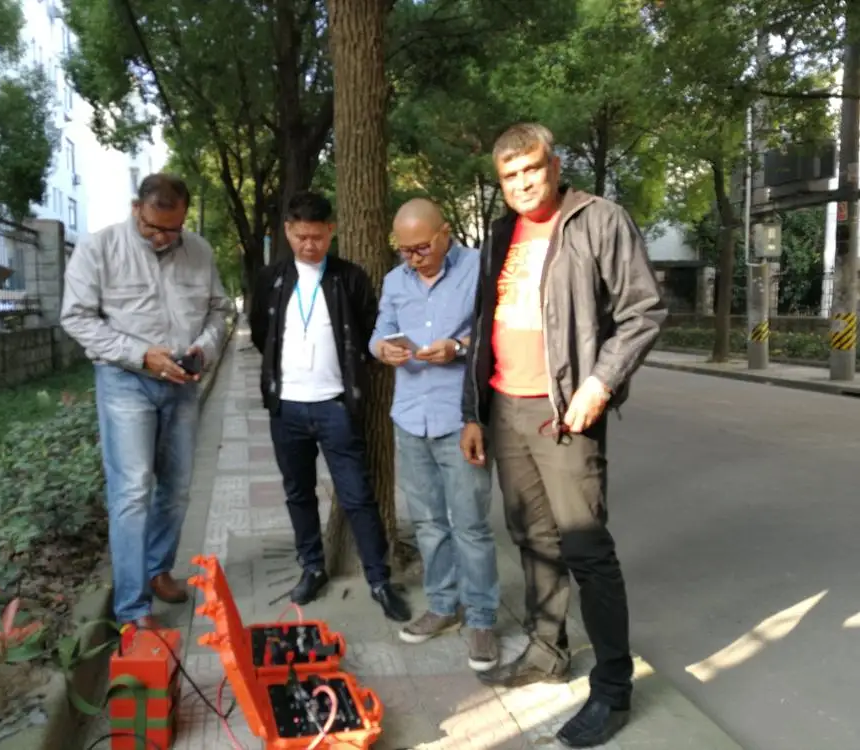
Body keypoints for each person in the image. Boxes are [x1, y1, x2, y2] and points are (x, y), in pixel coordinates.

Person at [460, 123, 666, 748]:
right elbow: (484, 324)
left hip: (564, 412)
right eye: (510, 175)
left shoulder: (597, 219)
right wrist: (474, 412)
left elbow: (643, 310)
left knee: (586, 549)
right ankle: (548, 651)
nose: (523, 184)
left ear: (553, 165)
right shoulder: (500, 233)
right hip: (505, 408)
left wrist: (600, 383)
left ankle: (613, 688)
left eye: (532, 169)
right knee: (531, 537)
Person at [60, 174, 233, 631]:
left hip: (183, 382)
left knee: (177, 488)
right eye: (154, 227)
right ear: (137, 208)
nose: (163, 238)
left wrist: (204, 349)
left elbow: (220, 309)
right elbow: (76, 318)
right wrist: (141, 355)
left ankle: (158, 569)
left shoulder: (199, 250)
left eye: (173, 229)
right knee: (133, 490)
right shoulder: (99, 249)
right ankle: (133, 609)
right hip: (125, 381)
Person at [249, 191, 411, 623]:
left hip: (336, 406)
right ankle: (313, 567)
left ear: (331, 231)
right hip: (287, 407)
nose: (309, 245)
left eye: (318, 237)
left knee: (357, 494)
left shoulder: (349, 278)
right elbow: (261, 333)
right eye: (301, 237)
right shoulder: (270, 279)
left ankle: (379, 579)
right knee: (298, 492)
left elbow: (369, 330)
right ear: (287, 231)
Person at [370, 198, 501, 671]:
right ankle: (443, 605)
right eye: (404, 250)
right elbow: (380, 330)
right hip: (410, 416)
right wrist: (382, 349)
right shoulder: (395, 280)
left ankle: (482, 617)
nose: (413, 259)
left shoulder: (479, 268)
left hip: (459, 418)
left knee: (470, 524)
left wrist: (458, 348)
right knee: (427, 522)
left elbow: (496, 332)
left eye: (421, 248)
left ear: (445, 233)